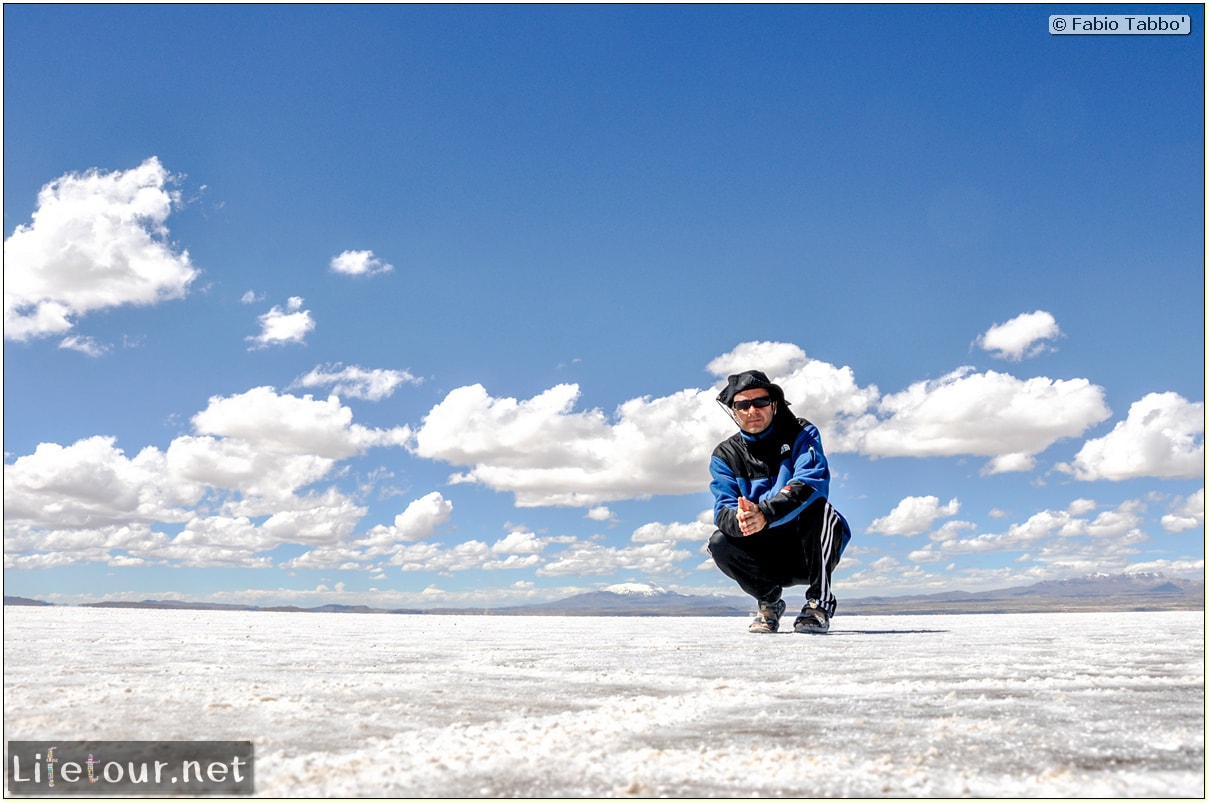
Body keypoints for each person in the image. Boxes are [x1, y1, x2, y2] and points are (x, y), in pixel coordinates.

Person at [707, 370, 851, 634]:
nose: (752, 410)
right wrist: (743, 520)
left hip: (807, 551)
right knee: (719, 541)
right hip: (764, 555)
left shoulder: (801, 433)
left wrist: (765, 512)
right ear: (734, 411)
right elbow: (722, 508)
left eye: (760, 402)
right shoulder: (725, 455)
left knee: (818, 507)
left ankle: (819, 604)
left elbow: (812, 481)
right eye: (742, 405)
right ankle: (769, 601)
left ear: (774, 404)